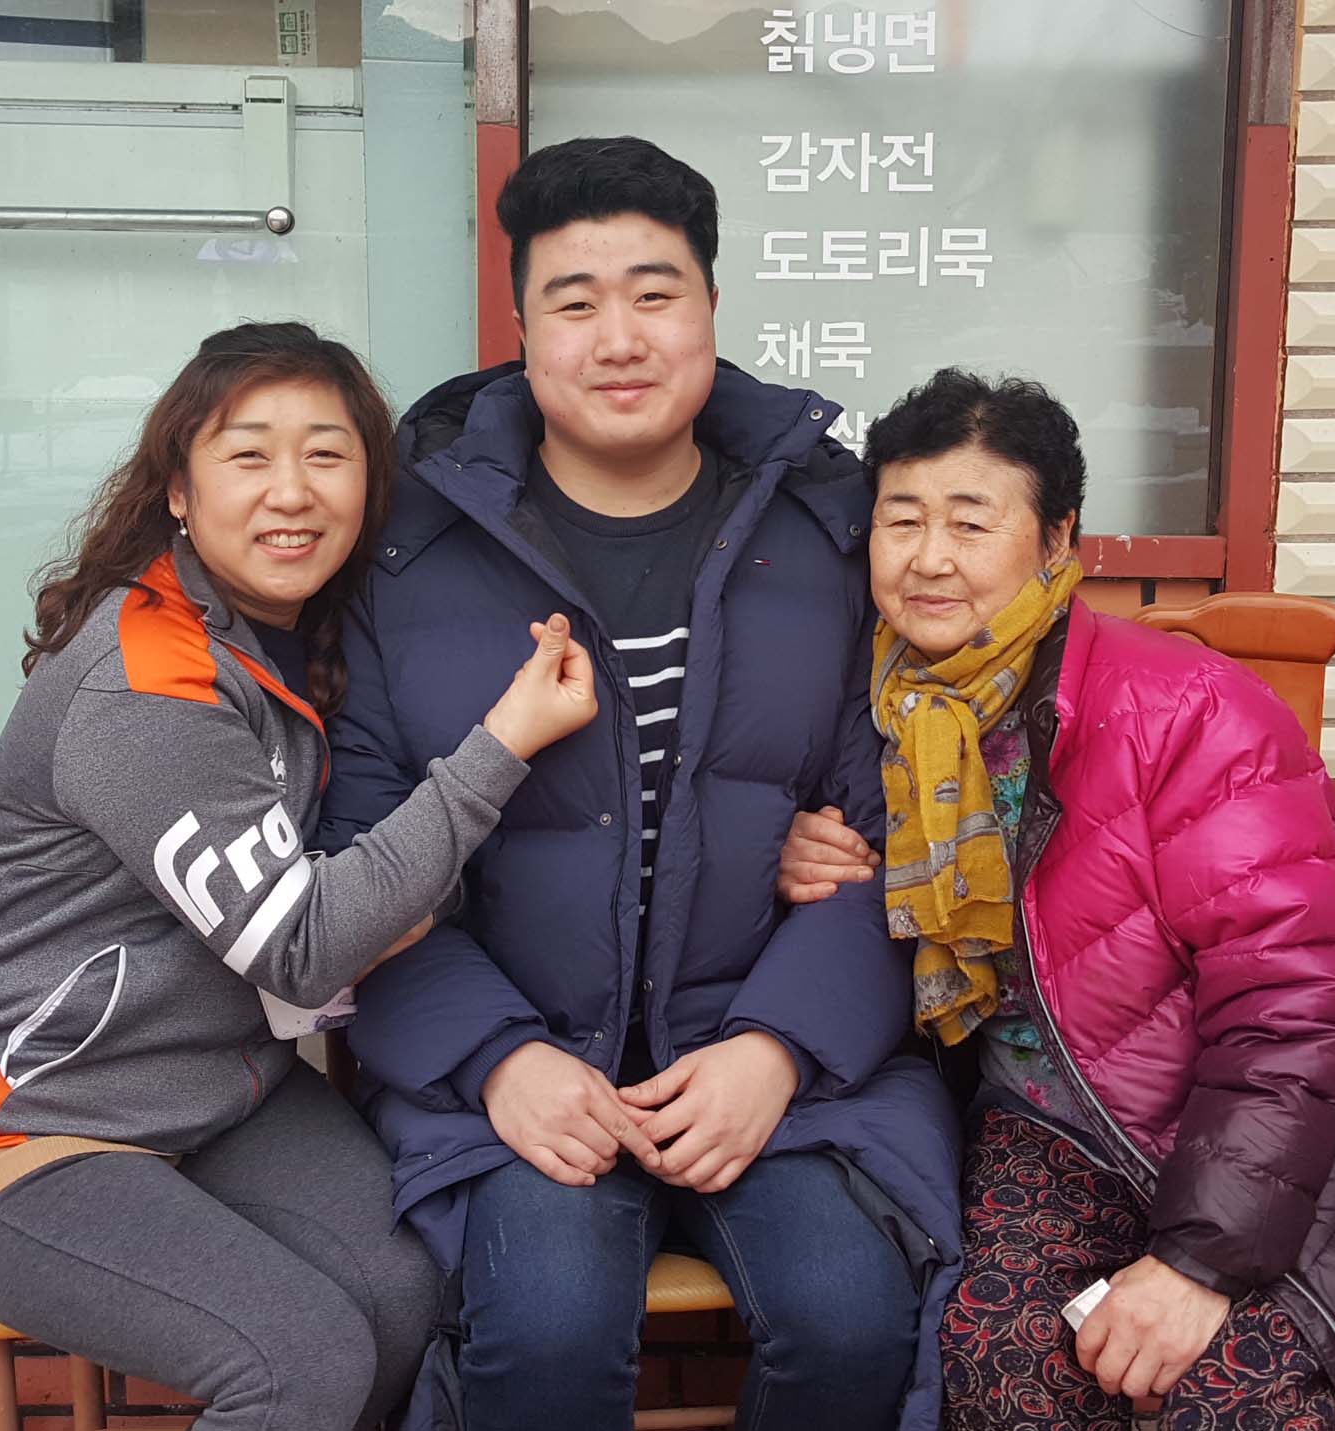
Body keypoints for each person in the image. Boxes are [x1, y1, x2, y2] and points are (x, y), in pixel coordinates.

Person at [317, 137, 960, 1431]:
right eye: (576, 298)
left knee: (850, 1318)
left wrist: (777, 1046)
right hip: (517, 1055)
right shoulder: (408, 555)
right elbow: (363, 856)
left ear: (713, 309)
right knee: (540, 1331)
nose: (620, 335)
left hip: (770, 1052)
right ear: (519, 328)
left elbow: (897, 838)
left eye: (655, 293)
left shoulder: (827, 533)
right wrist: (498, 1059)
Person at [0, 322, 599, 1431]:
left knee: (405, 1294)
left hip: (216, 1093)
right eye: (249, 455)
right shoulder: (145, 678)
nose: (291, 492)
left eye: (327, 453)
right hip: (10, 1133)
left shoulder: (296, 642)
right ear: (177, 488)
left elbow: (367, 885)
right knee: (296, 1362)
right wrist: (501, 746)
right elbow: (308, 941)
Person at [778, 370, 1335, 1431]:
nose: (928, 557)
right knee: (1000, 1354)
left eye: (969, 521)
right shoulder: (875, 716)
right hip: (1050, 1126)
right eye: (901, 520)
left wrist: (1196, 1264)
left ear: (1057, 538)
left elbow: (1297, 1010)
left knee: (1220, 1390)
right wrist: (799, 858)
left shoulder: (1187, 708)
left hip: (1285, 1121)